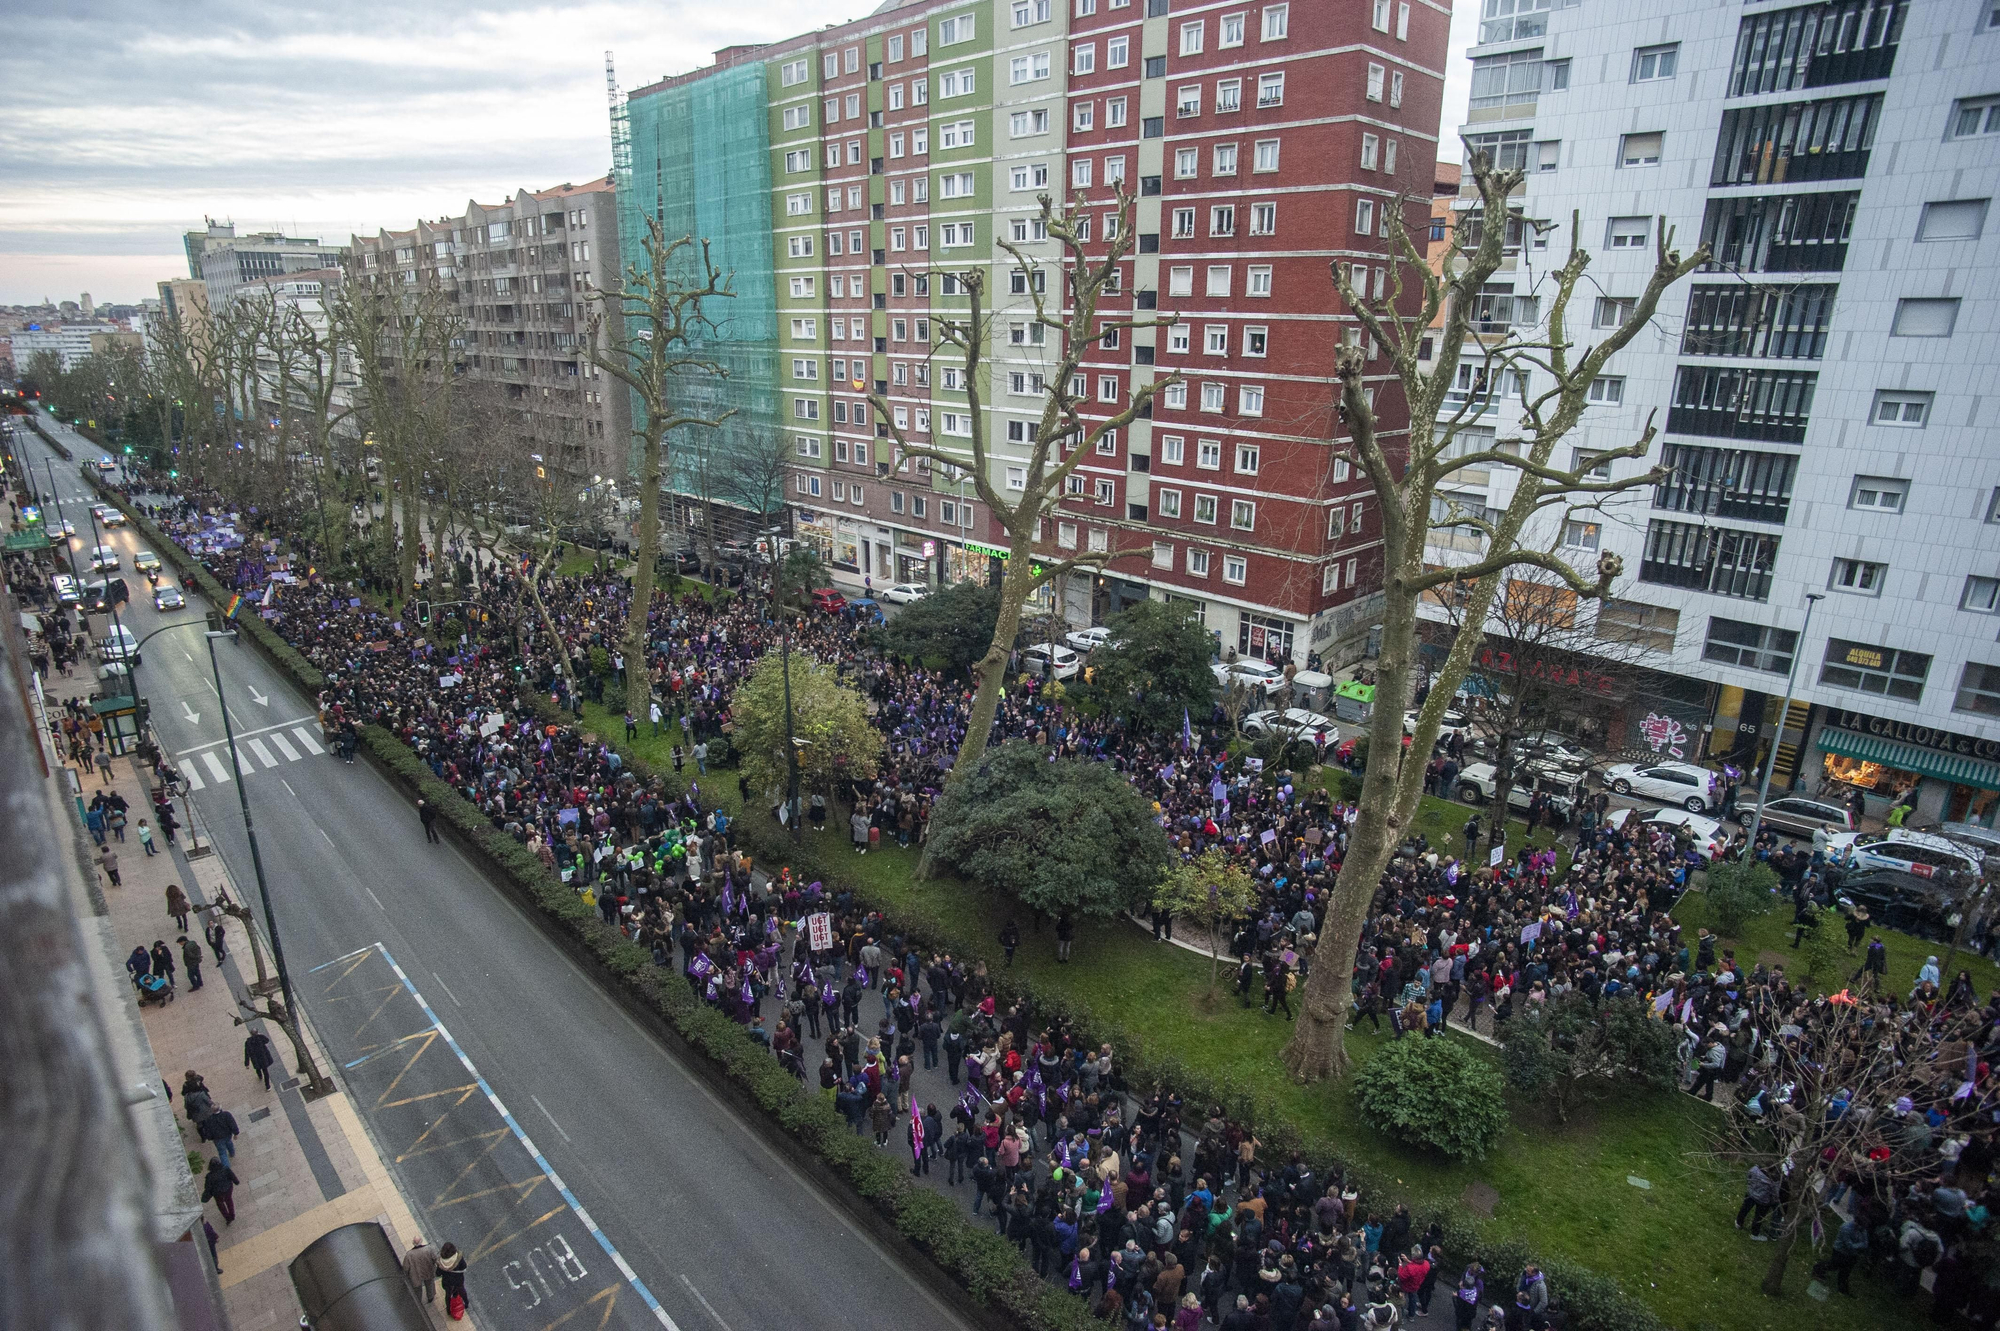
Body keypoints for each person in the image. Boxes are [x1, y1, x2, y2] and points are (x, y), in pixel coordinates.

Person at [201, 1156, 240, 1224]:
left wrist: (205, 1197)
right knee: (229, 1201)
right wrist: (236, 1182)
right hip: (228, 1189)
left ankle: (228, 1218)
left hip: (218, 1194)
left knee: (220, 1205)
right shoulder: (225, 1169)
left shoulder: (209, 1176)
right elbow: (232, 1176)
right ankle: (232, 1215)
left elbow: (208, 1188)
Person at [403, 1235, 439, 1304]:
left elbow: (405, 1267)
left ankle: (418, 1301)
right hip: (428, 1271)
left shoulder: (409, 1255)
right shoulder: (428, 1249)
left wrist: (407, 1274)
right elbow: (435, 1259)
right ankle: (430, 1297)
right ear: (421, 1241)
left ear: (413, 1243)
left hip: (416, 1274)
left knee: (418, 1289)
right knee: (430, 1284)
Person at [437, 1241, 469, 1313]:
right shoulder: (458, 1258)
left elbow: (438, 1273)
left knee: (448, 1295)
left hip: (447, 1282)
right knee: (462, 1290)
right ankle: (466, 1303)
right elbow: (464, 1266)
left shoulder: (441, 1261)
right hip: (458, 1280)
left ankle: (448, 1310)